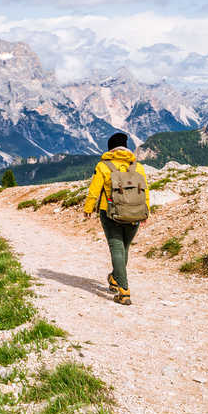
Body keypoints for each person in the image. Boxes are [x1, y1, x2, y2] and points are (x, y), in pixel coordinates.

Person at [82, 131, 150, 306]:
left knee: (116, 248)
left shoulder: (104, 166)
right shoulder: (138, 167)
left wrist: (88, 208)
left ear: (110, 149)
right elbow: (144, 192)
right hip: (135, 213)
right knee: (124, 248)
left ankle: (124, 291)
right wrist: (146, 211)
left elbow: (94, 190)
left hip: (110, 212)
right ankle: (114, 278)